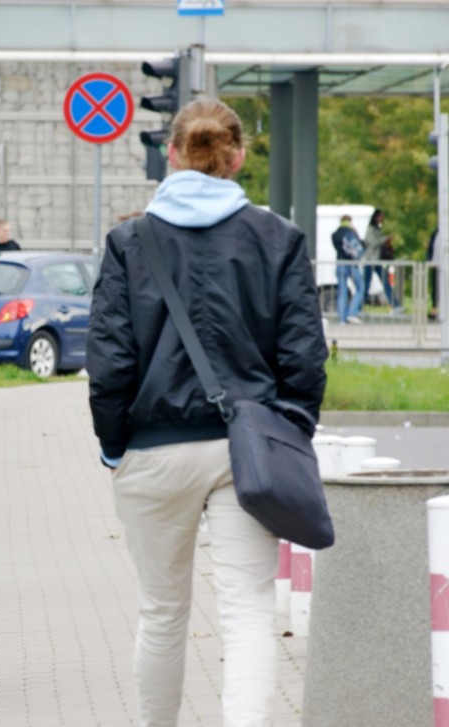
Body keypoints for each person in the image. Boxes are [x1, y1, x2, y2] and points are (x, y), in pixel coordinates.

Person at [86, 98, 327, 727]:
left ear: (169, 153)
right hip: (247, 451)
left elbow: (109, 366)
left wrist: (115, 447)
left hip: (153, 449)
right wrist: (286, 436)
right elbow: (305, 359)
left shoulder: (128, 242)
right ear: (238, 156)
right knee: (248, 612)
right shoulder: (278, 238)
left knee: (162, 614)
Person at [331, 214, 365, 324]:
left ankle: (342, 319)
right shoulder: (351, 232)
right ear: (350, 221)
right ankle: (352, 313)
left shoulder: (335, 234)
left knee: (342, 291)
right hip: (352, 264)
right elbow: (360, 246)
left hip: (340, 263)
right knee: (360, 288)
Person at [362, 208, 394, 308]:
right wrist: (385, 239)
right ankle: (358, 307)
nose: (382, 218)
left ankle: (395, 304)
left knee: (385, 283)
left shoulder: (377, 229)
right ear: (376, 217)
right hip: (371, 260)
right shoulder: (371, 229)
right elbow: (373, 243)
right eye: (381, 216)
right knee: (366, 284)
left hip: (376, 260)